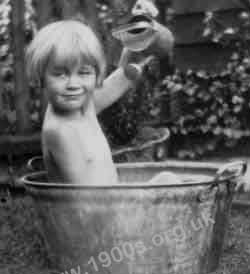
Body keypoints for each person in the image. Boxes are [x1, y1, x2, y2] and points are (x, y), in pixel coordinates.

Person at [26, 18, 179, 185]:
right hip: (91, 208)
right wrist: (138, 196)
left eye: (84, 73)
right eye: (60, 74)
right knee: (170, 185)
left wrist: (138, 50)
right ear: (41, 78)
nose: (73, 84)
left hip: (110, 201)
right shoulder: (60, 131)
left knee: (168, 179)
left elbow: (119, 80)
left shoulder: (83, 106)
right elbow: (81, 196)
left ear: (96, 75)